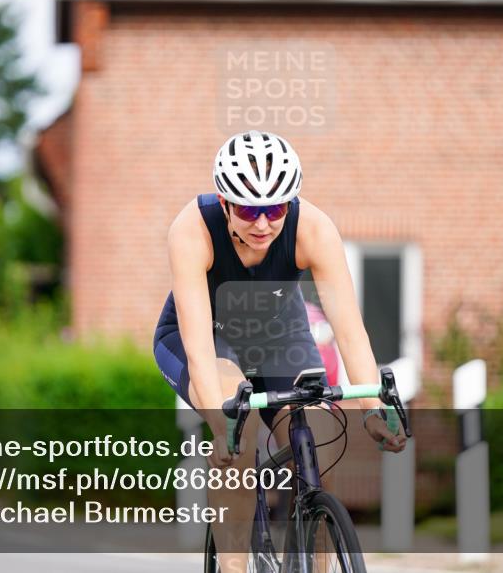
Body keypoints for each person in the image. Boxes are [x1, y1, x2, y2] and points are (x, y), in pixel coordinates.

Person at [153, 130, 406, 572]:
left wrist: (371, 406)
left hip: (278, 337)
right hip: (206, 337)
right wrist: (219, 423)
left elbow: (350, 331)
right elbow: (198, 347)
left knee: (320, 443)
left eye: (276, 208)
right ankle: (233, 565)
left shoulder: (314, 229)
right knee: (236, 421)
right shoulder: (191, 230)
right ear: (225, 201)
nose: (264, 223)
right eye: (250, 209)